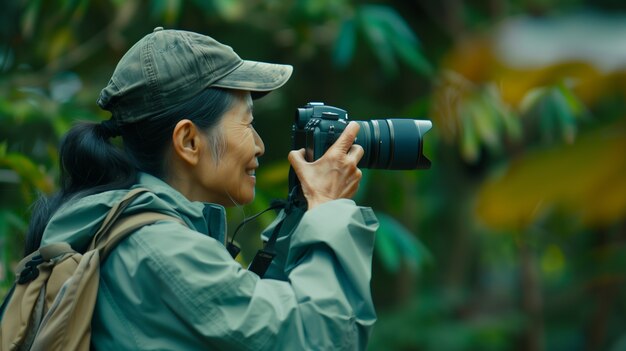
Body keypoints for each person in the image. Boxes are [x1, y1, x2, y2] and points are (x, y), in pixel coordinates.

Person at [24, 27, 378, 350]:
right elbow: (324, 339)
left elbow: (262, 320)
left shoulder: (123, 234)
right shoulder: (161, 249)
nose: (259, 145)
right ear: (189, 141)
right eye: (247, 123)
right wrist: (330, 207)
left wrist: (303, 210)